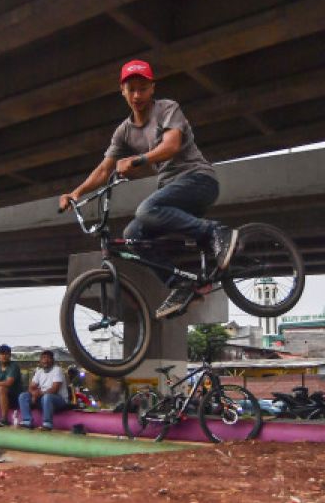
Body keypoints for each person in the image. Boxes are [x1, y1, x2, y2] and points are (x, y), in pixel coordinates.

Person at [59, 59, 238, 320]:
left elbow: (172, 145)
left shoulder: (167, 108)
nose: (137, 95)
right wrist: (76, 193)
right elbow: (103, 170)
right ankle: (181, 284)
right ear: (122, 91)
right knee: (133, 234)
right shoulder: (124, 131)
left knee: (147, 209)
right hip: (172, 192)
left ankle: (216, 231)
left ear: (152, 88)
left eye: (142, 88)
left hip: (198, 180)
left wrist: (139, 159)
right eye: (131, 89)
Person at [17, 350, 68, 431]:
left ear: (53, 360)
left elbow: (54, 389)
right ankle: (27, 421)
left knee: (47, 397)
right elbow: (31, 387)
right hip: (42, 399)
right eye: (43, 358)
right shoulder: (39, 372)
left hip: (58, 400)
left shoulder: (57, 370)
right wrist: (34, 394)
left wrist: (38, 394)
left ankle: (47, 424)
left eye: (48, 358)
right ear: (40, 361)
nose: (46, 360)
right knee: (23, 396)